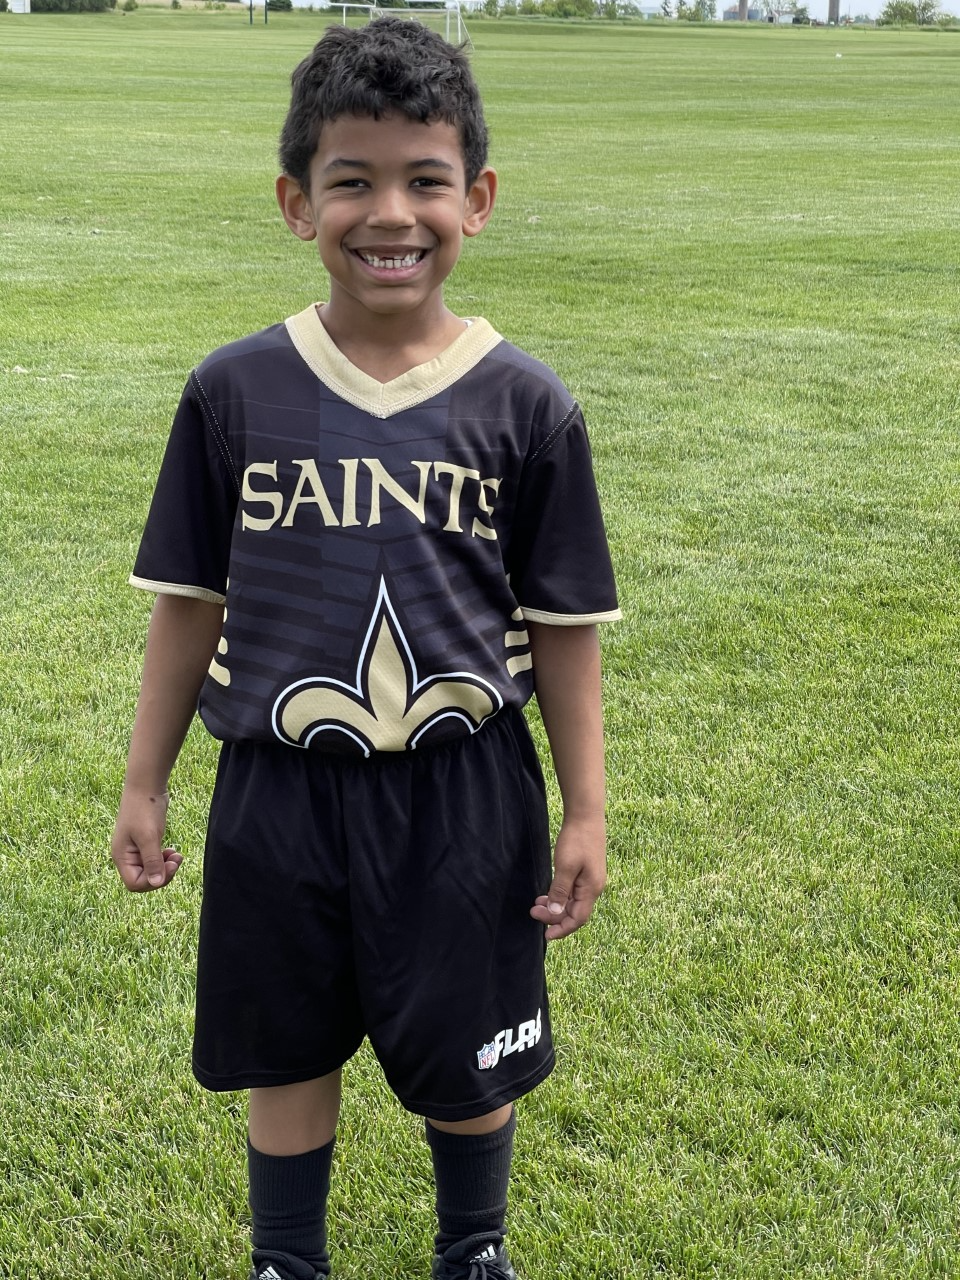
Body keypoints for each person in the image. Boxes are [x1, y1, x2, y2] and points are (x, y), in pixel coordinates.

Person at [110, 17, 620, 1280]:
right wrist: (144, 780)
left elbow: (563, 626)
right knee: (286, 1045)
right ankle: (287, 1258)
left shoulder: (527, 404)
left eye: (425, 180)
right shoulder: (235, 391)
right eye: (352, 180)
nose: (391, 214)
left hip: (463, 788)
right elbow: (189, 602)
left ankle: (474, 1246)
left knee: (471, 1049)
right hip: (278, 787)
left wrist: (587, 807)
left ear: (477, 200)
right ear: (298, 202)